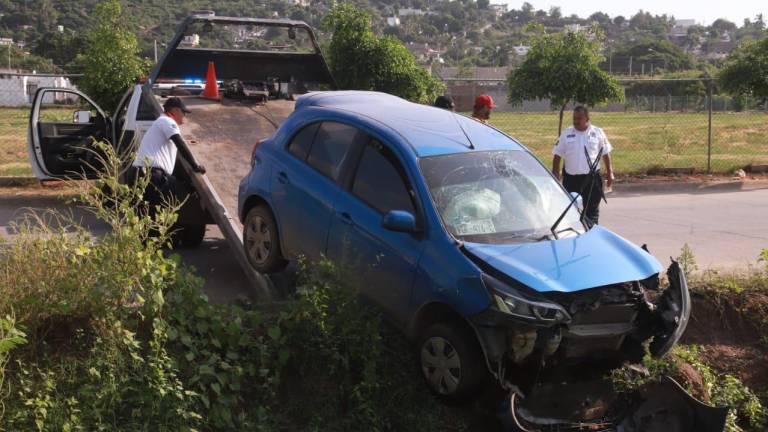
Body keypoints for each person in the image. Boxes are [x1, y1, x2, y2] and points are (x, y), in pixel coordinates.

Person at [128, 97, 206, 219]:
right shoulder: (167, 121)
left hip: (142, 173)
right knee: (156, 215)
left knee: (146, 217)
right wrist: (195, 166)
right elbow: (180, 144)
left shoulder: (160, 122)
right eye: (183, 112)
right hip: (150, 175)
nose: (184, 115)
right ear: (175, 110)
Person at [552, 106, 614, 226]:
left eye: (579, 118)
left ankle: (591, 234)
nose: (576, 121)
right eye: (574, 118)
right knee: (571, 211)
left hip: (592, 180)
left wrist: (610, 172)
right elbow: (557, 155)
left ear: (587, 118)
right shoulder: (566, 133)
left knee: (592, 211)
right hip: (571, 180)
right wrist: (555, 174)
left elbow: (605, 152)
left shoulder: (598, 132)